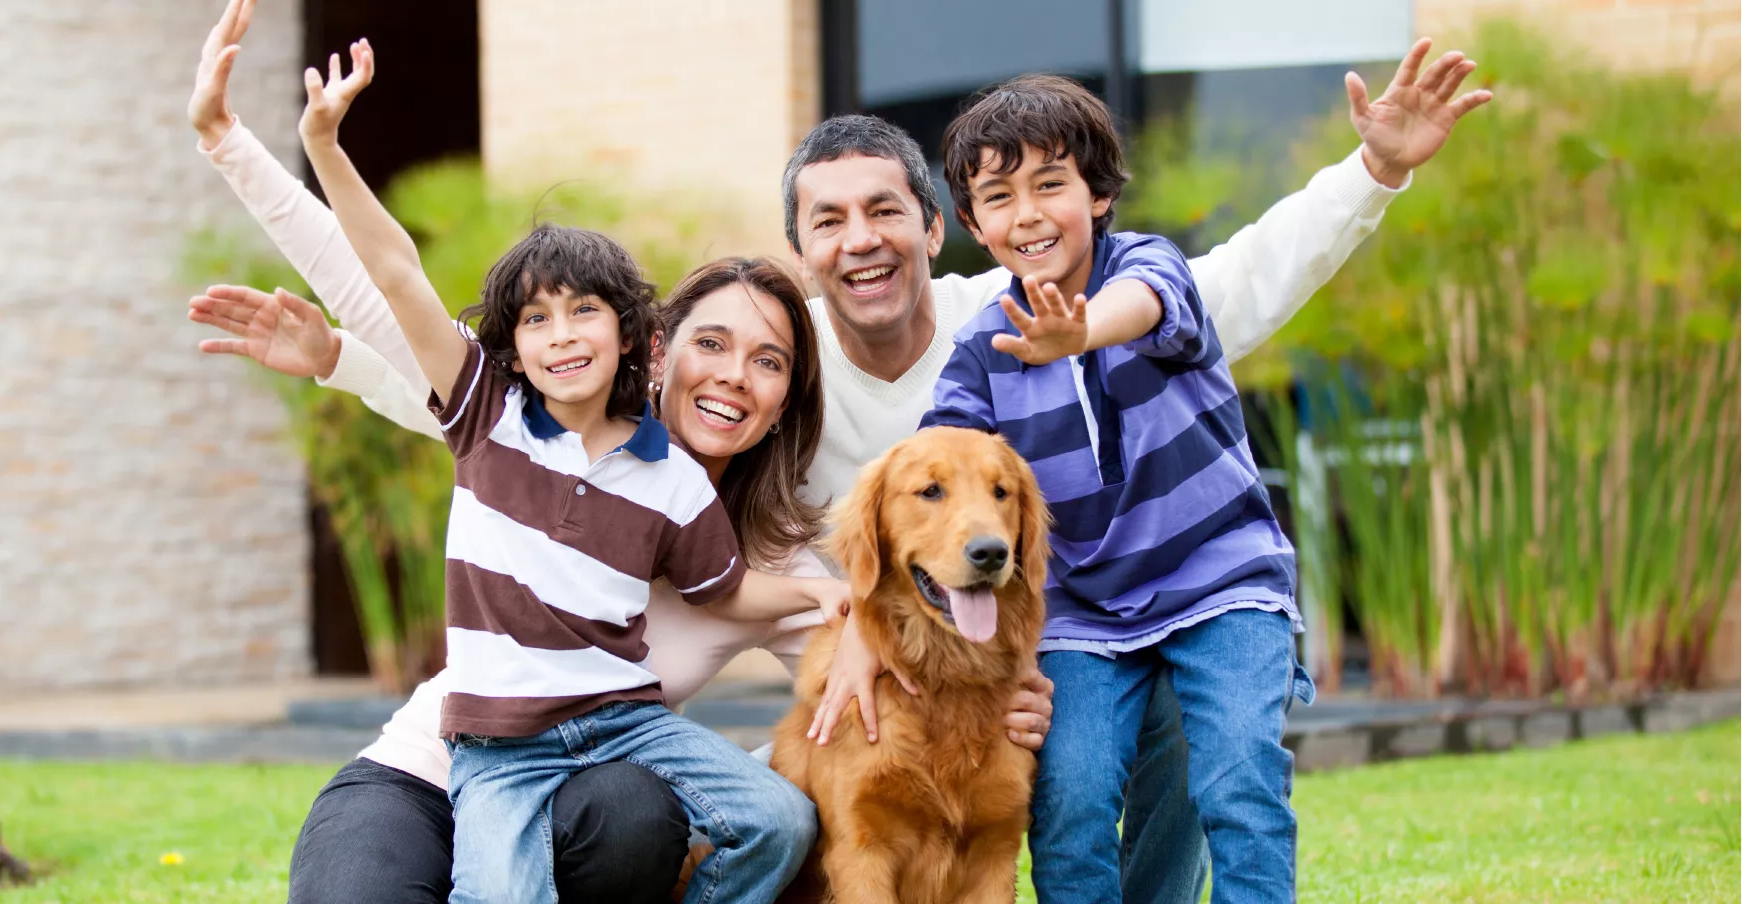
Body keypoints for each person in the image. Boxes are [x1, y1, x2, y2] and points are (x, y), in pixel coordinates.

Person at [183, 1, 1490, 898]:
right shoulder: (581, 423)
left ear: (936, 229)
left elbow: (1228, 290)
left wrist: (1369, 177)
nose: (734, 375)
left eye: (763, 360)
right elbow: (392, 315)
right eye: (709, 348)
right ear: (663, 345)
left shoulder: (996, 328)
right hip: (436, 760)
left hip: (602, 782)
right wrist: (238, 150)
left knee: (672, 814)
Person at [290, 35, 854, 904]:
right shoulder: (486, 416)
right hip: (498, 746)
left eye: (584, 312)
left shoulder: (669, 476)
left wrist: (825, 596)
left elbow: (727, 591)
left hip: (623, 727)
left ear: (631, 335)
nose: (561, 335)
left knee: (779, 822)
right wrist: (325, 146)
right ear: (510, 346)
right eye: (536, 321)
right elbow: (396, 273)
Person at [919, 73, 1298, 902]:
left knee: (1239, 775)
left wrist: (1080, 330)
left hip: (1221, 578)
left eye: (1050, 184)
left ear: (1097, 194)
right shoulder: (983, 350)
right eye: (998, 196)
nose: (1027, 213)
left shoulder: (1144, 266)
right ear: (977, 229)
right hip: (1083, 611)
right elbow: (935, 463)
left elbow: (1144, 301)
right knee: (1073, 800)